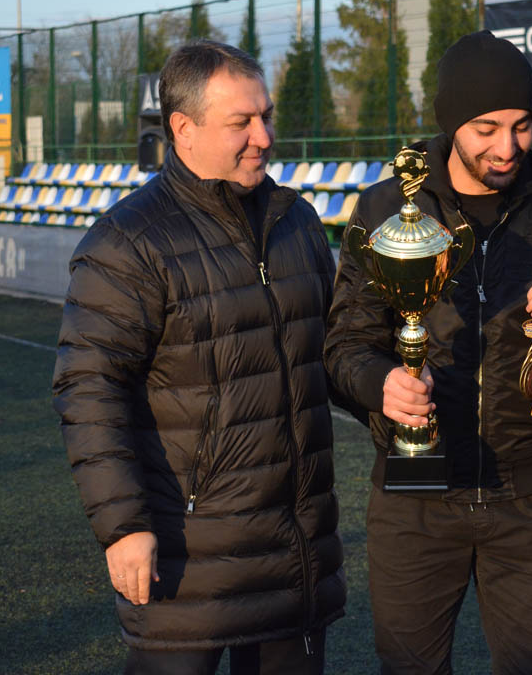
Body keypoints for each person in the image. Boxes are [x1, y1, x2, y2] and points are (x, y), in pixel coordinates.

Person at [52, 40, 345, 675]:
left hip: (295, 555)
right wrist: (124, 526)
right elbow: (89, 390)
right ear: (183, 129)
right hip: (187, 562)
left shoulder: (298, 222)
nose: (263, 137)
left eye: (266, 116)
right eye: (242, 122)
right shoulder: (128, 241)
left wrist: (395, 384)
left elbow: (335, 355)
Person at [325, 30, 532, 675]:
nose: (506, 147)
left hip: (528, 497)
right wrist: (382, 384)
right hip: (414, 494)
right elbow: (344, 346)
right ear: (452, 123)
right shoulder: (386, 207)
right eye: (486, 128)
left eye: (522, 126)